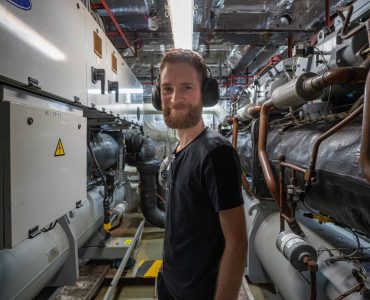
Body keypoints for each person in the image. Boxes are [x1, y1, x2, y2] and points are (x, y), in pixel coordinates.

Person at [154, 48, 247, 300]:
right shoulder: (179, 149)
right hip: (171, 284)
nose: (175, 99)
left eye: (187, 87)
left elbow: (237, 244)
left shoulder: (216, 153)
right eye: (167, 89)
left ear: (205, 94)